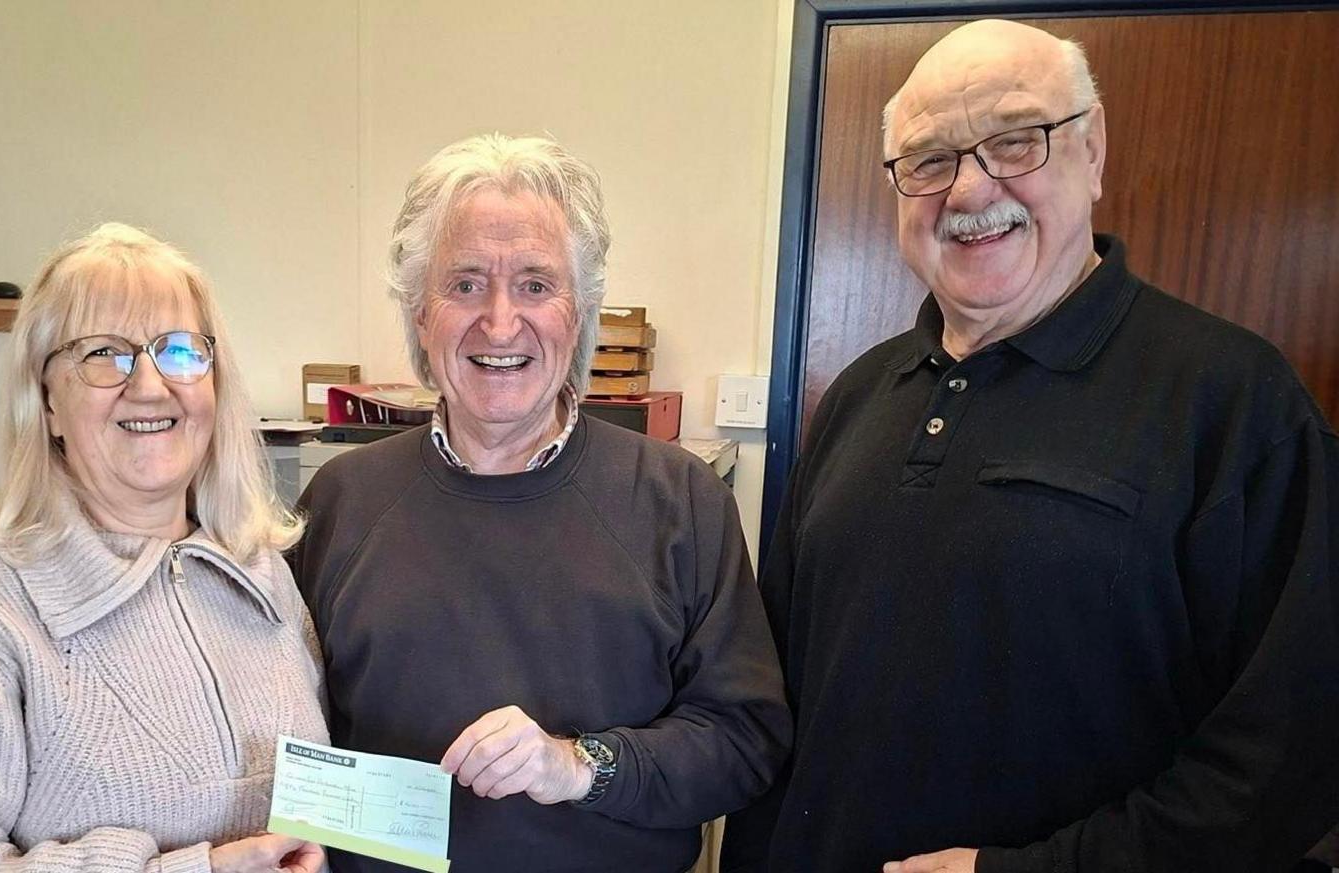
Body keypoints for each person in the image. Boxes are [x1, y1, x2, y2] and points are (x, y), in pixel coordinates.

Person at [721, 18, 1339, 873]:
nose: (970, 192)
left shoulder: (1237, 405)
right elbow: (782, 698)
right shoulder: (859, 395)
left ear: (1092, 153)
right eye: (931, 160)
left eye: (1015, 141)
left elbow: (1291, 756)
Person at [291, 133, 790, 872]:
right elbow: (286, 728)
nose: (498, 322)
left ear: (581, 312)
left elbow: (745, 740)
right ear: (420, 315)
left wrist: (578, 765)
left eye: (534, 283)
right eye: (463, 283)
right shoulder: (340, 501)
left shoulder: (681, 499)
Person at [0, 223, 330, 873]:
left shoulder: (260, 573)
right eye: (104, 352)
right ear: (45, 398)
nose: (149, 384)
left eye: (180, 350)